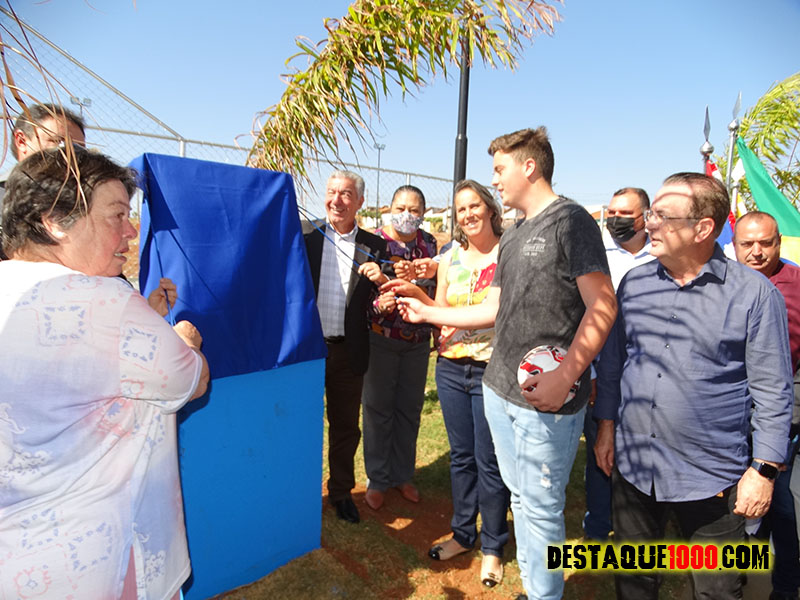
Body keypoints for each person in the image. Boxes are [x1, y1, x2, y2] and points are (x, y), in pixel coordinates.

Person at [396, 127, 617, 600]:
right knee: (522, 499)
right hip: (499, 391)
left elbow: (603, 306)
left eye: (500, 169)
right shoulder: (514, 232)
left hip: (547, 401)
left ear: (529, 166)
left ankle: (543, 595)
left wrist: (566, 375)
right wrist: (429, 312)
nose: (494, 179)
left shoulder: (571, 221)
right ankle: (536, 590)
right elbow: (493, 309)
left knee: (541, 508)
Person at [0, 146, 210, 600]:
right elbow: (191, 379)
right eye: (116, 214)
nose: (131, 230)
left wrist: (147, 320)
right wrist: (184, 341)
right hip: (99, 559)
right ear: (56, 221)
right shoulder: (103, 301)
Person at [594, 173, 794, 600]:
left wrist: (762, 471)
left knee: (716, 590)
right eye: (651, 213)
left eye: (663, 216)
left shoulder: (754, 295)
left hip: (711, 478)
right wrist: (607, 426)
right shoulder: (635, 283)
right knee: (633, 581)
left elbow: (773, 392)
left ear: (703, 229)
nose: (649, 223)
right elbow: (614, 364)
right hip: (634, 467)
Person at [392, 179, 510, 587]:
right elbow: (440, 310)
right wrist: (416, 297)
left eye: (475, 205)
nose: (468, 214)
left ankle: (493, 545)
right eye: (461, 209)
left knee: (488, 460)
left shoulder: (508, 253)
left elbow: (495, 313)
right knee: (461, 457)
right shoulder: (450, 257)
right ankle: (463, 534)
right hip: (451, 367)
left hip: (492, 368)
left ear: (490, 209)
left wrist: (427, 312)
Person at [303, 170, 388, 524]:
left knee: (345, 427)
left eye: (346, 194)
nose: (337, 200)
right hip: (307, 352)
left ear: (360, 202)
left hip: (348, 351)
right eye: (331, 191)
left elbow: (382, 297)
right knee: (303, 425)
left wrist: (384, 293)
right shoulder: (306, 235)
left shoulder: (375, 246)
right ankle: (301, 493)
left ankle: (340, 493)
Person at [733, 211, 800, 600]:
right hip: (729, 417)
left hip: (782, 418)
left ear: (778, 243)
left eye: (765, 243)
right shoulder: (722, 282)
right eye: (747, 244)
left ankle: (786, 588)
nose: (756, 252)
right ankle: (739, 573)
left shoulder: (797, 285)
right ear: (735, 245)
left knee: (783, 510)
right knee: (737, 508)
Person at [584, 187, 654, 541]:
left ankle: (636, 528)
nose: (615, 220)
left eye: (624, 214)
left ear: (645, 217)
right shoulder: (595, 255)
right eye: (611, 213)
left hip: (645, 375)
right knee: (599, 449)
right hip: (600, 371)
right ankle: (598, 528)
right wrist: (593, 371)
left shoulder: (661, 257)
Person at [361, 185, 437, 510]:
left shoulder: (428, 244)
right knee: (377, 410)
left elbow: (435, 287)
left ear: (423, 213)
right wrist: (379, 305)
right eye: (401, 208)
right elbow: (359, 294)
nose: (407, 215)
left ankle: (403, 475)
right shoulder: (374, 242)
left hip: (417, 342)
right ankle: (378, 478)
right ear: (389, 208)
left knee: (409, 409)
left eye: (414, 210)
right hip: (380, 338)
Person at [0, 103, 86, 259]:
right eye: (58, 141)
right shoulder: (3, 195)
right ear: (21, 141)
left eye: (79, 147)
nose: (72, 153)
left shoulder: (84, 201)